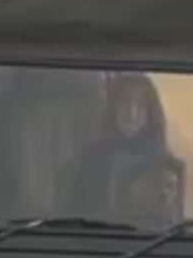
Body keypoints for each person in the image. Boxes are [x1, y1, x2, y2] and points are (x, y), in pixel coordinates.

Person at [68, 73, 173, 224]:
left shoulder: (164, 162)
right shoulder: (91, 160)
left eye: (141, 105)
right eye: (125, 102)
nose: (132, 113)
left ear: (151, 113)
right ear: (114, 108)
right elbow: (74, 215)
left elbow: (168, 222)